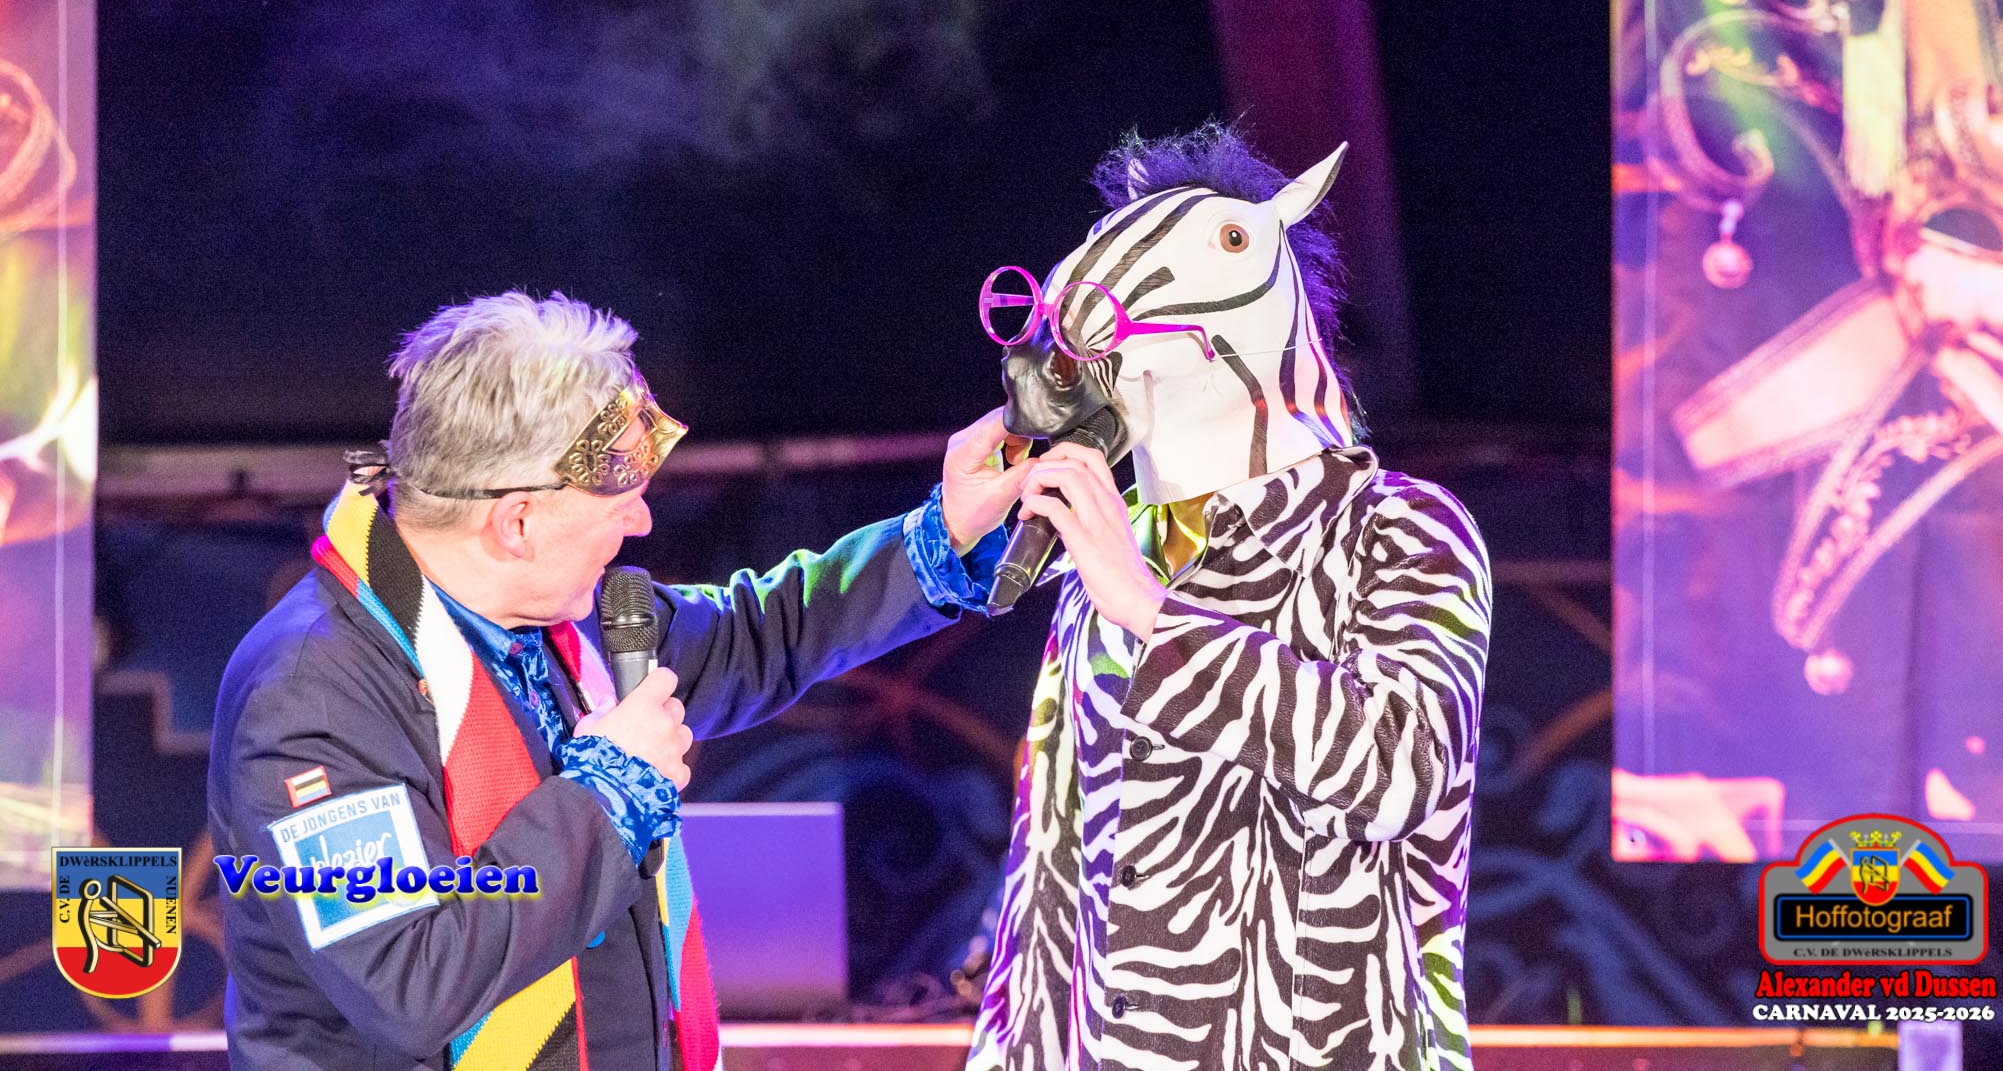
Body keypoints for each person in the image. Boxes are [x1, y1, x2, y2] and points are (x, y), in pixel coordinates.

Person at [207, 290, 1031, 1070]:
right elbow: (409, 976)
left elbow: (766, 630)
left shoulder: (577, 627)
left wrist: (946, 531)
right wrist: (607, 794)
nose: (641, 521)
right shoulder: (315, 690)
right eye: (619, 501)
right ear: (518, 520)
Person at [967, 126, 1492, 1070]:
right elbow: (1049, 872)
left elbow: (1402, 769)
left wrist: (1155, 615)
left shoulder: (1399, 529)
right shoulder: (1105, 560)